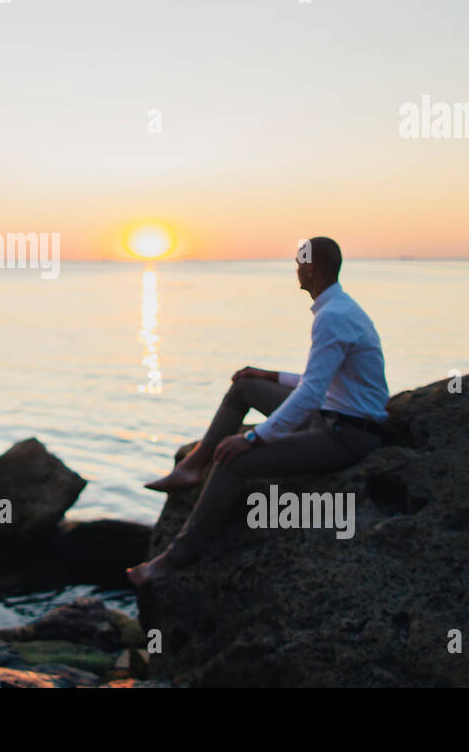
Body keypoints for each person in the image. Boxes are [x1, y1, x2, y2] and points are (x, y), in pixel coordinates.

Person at [128, 236, 389, 587]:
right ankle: (193, 465)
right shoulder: (339, 309)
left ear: (310, 269)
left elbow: (311, 393)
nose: (295, 269)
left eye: (299, 263)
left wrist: (254, 438)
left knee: (233, 458)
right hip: (331, 415)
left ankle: (175, 558)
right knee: (245, 386)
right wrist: (269, 376)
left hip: (348, 436)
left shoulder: (333, 317)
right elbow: (321, 381)